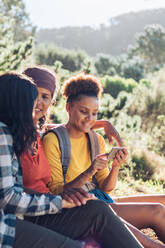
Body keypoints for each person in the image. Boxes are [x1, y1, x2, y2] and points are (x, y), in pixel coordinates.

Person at [0, 72, 145, 248]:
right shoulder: (5, 135)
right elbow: (8, 198)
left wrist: (102, 125)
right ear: (18, 105)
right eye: (34, 100)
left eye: (45, 98)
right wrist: (60, 201)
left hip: (38, 207)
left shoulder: (25, 133)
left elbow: (62, 126)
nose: (38, 105)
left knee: (98, 209)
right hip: (16, 219)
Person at [43, 73, 165, 248]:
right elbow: (56, 192)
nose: (90, 119)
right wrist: (89, 171)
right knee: (154, 238)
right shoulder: (53, 140)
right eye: (84, 112)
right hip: (78, 208)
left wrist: (115, 167)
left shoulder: (96, 140)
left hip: (100, 199)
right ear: (68, 107)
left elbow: (105, 187)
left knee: (158, 210)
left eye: (94, 113)